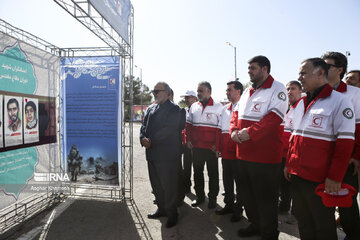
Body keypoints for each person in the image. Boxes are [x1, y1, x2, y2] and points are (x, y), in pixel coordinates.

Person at [285, 58, 355, 240]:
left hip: (320, 179)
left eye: (303, 73)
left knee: (323, 224)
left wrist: (335, 177)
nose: (299, 77)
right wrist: (289, 164)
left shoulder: (340, 101)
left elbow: (345, 143)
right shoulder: (301, 103)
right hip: (297, 175)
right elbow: (295, 137)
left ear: (320, 73)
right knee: (303, 220)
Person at [230, 55, 288, 239]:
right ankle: (255, 225)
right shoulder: (247, 91)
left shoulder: (278, 88)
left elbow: (274, 118)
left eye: (253, 68)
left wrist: (250, 133)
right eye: (249, 68)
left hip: (265, 157)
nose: (249, 71)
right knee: (248, 196)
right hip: (243, 154)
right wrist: (233, 131)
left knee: (266, 200)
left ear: (265, 69)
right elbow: (235, 113)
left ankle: (269, 233)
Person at [322, 51, 360, 240]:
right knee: (325, 203)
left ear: (339, 70)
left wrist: (356, 155)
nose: (322, 68)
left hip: (346, 159)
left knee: (347, 205)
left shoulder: (354, 93)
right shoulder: (317, 92)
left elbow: (359, 127)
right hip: (322, 159)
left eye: (327, 65)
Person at [140, 82, 185, 228]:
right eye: (153, 91)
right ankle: (161, 208)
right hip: (152, 154)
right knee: (157, 185)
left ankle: (172, 214)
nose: (154, 93)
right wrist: (142, 138)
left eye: (157, 91)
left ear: (166, 92)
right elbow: (143, 126)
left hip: (166, 155)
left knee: (169, 186)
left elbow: (169, 129)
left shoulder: (175, 109)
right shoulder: (151, 108)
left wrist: (151, 140)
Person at [186, 81, 223, 209]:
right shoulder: (194, 106)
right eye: (198, 91)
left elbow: (220, 128)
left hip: (211, 149)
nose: (198, 93)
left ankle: (212, 199)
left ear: (209, 91)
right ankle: (200, 197)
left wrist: (217, 146)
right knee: (197, 173)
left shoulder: (218, 107)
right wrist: (188, 139)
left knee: (213, 175)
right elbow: (188, 126)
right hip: (196, 148)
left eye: (201, 91)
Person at [215, 80, 244, 222]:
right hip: (226, 152)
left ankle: (239, 209)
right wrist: (219, 148)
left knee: (240, 182)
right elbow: (220, 130)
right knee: (227, 180)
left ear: (238, 91)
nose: (227, 92)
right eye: (226, 90)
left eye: (229, 90)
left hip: (239, 152)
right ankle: (229, 205)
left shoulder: (244, 106)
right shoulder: (225, 109)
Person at [279, 81, 303, 215]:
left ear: (300, 91)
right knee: (284, 184)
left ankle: (296, 212)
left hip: (295, 155)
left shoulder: (303, 106)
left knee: (295, 185)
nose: (289, 91)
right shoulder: (287, 109)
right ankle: (284, 207)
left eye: (293, 89)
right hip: (282, 154)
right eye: (288, 89)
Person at [180, 90, 198, 194]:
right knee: (186, 167)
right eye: (185, 98)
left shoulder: (198, 110)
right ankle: (186, 188)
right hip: (185, 144)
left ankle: (198, 191)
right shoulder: (184, 111)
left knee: (197, 169)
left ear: (195, 98)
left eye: (188, 97)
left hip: (196, 144)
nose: (186, 100)